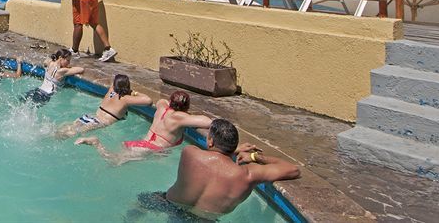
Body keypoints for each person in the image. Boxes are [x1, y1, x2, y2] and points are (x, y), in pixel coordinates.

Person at [162, 119, 301, 219]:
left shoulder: (189, 152)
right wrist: (254, 157)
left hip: (167, 204)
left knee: (142, 199)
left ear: (210, 141)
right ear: (233, 146)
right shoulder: (248, 174)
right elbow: (293, 170)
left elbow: (211, 154)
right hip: (203, 220)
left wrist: (235, 150)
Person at [56, 74, 152, 138]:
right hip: (98, 122)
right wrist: (133, 92)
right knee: (71, 135)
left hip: (89, 116)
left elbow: (114, 81)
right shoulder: (125, 99)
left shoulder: (111, 91)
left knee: (65, 131)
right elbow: (148, 100)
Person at [123, 90, 212, 152]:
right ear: (186, 107)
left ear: (170, 102)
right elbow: (208, 122)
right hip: (149, 150)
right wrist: (186, 114)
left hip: (137, 144)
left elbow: (161, 100)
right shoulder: (179, 117)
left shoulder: (162, 106)